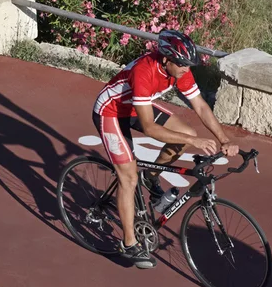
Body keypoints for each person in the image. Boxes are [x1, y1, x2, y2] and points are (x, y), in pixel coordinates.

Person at [92, 29, 239, 269]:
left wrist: (224, 139)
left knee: (186, 134)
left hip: (137, 108)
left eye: (188, 64)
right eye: (181, 64)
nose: (185, 69)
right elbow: (149, 128)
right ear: (165, 59)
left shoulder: (181, 70)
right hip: (111, 112)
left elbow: (201, 107)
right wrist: (197, 143)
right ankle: (129, 243)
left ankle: (150, 178)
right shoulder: (144, 72)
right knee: (128, 179)